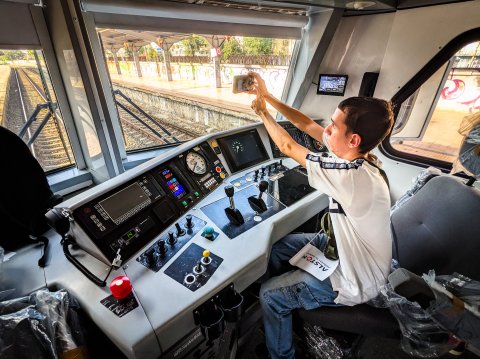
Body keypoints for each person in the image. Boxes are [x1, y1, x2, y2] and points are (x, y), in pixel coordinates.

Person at [247, 72, 394, 359]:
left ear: (353, 139)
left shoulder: (351, 177)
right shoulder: (358, 156)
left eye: (334, 126)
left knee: (269, 295)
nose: (327, 130)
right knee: (277, 250)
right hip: (339, 249)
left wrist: (263, 113)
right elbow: (308, 126)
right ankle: (290, 309)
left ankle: (281, 350)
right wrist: (267, 96)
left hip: (355, 279)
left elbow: (288, 147)